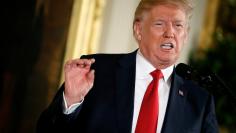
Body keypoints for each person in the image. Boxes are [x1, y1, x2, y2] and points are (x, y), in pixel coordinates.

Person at [37, 0, 219, 132]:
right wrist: (70, 102)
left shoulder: (200, 102)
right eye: (159, 24)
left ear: (185, 35)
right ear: (138, 30)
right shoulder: (96, 72)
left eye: (178, 25)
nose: (170, 33)